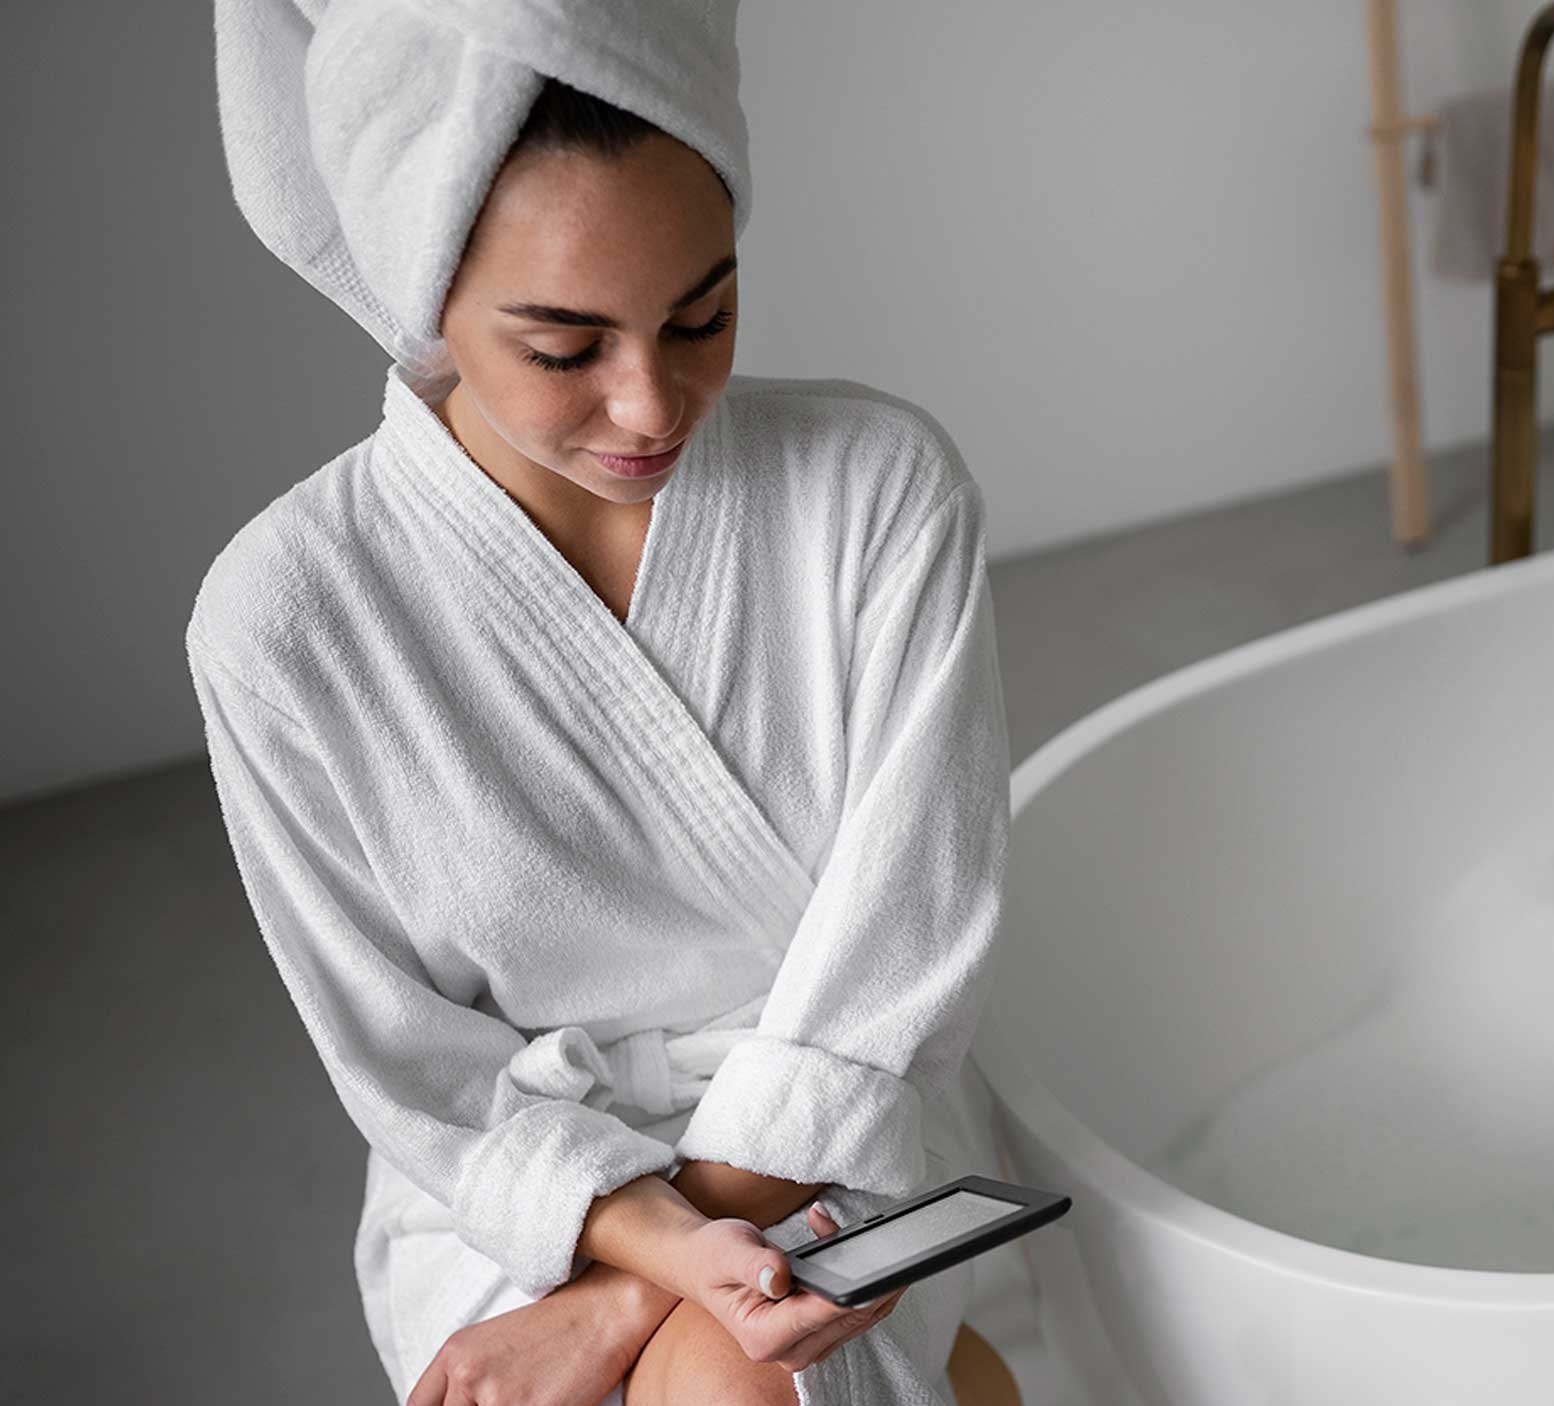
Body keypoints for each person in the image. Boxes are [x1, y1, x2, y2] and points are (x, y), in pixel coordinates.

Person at [197, 6, 1010, 1403]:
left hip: (834, 1135)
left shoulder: (880, 492)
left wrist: (626, 1306)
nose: (650, 404)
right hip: (520, 1190)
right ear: (423, 288)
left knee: (727, 1381)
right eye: (565, 348)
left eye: (703, 313)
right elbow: (413, 1065)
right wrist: (631, 1251)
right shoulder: (284, 618)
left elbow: (893, 967)